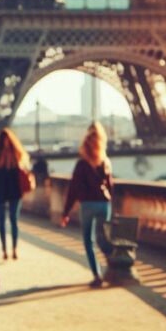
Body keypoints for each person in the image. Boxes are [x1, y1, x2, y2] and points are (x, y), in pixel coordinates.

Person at [61, 121, 115, 287]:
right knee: (103, 238)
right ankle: (114, 262)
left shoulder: (81, 164)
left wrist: (66, 212)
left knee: (88, 240)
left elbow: (73, 190)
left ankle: (97, 275)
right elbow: (111, 186)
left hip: (88, 205)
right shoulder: (105, 162)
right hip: (104, 204)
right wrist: (112, 206)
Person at [0, 128, 28, 261]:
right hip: (2, 192)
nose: (5, 142)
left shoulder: (16, 156)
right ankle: (5, 249)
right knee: (2, 221)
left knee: (13, 220)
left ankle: (14, 249)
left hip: (14, 192)